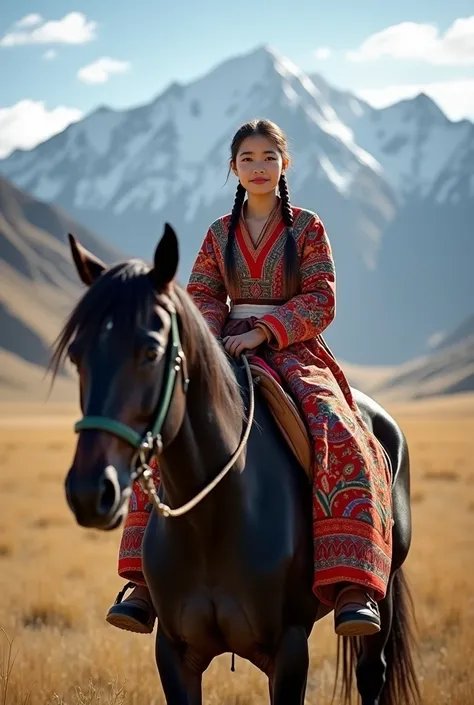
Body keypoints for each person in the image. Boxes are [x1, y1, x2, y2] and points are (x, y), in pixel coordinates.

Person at [105, 119, 392, 638]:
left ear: (285, 164)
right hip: (222, 349)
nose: (258, 168)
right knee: (169, 429)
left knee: (340, 429)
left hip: (292, 349)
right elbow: (203, 297)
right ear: (232, 168)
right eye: (247, 159)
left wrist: (263, 331)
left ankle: (354, 585)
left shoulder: (307, 227)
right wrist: (215, 342)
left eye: (267, 157)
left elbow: (322, 298)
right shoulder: (219, 233)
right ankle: (145, 581)